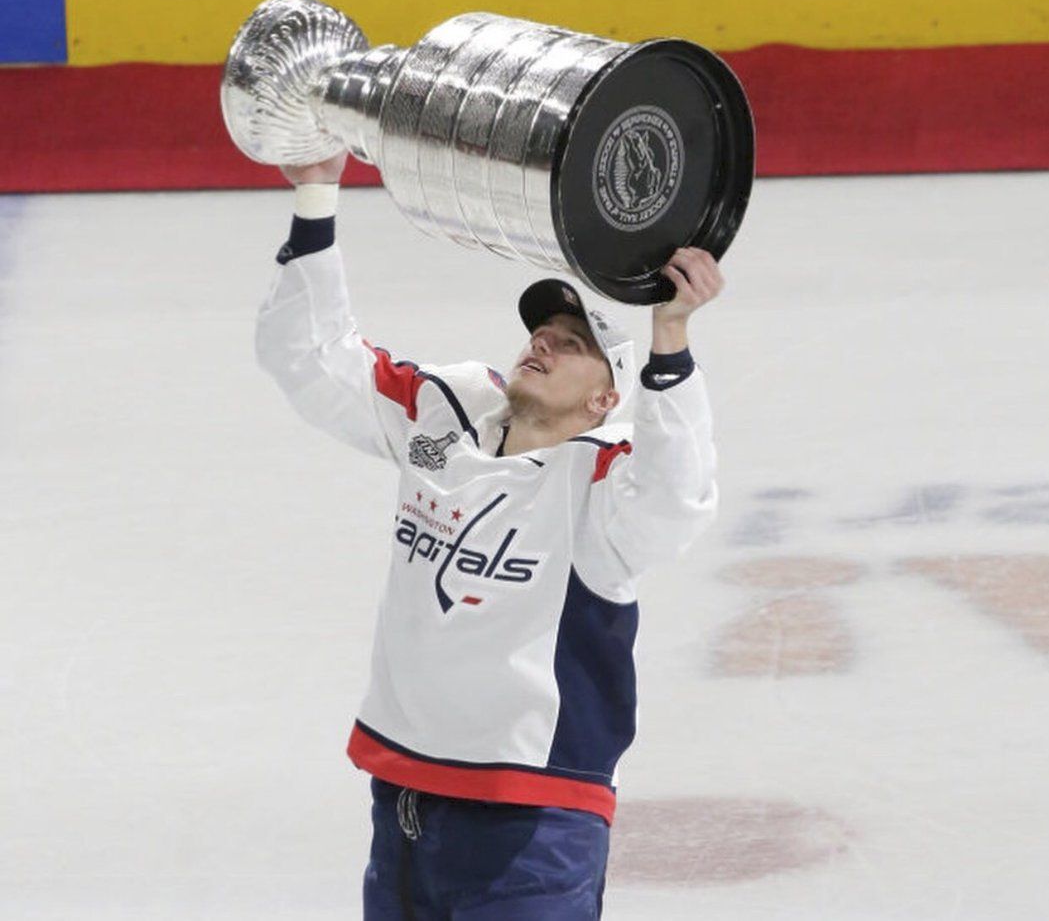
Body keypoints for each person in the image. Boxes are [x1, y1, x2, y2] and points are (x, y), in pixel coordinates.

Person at [256, 152, 723, 920]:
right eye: (543, 330)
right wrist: (316, 188)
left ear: (607, 397)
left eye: (572, 343)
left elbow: (678, 499)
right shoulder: (445, 414)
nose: (542, 342)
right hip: (403, 798)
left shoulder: (601, 487)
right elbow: (307, 358)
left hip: (533, 821)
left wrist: (669, 337)